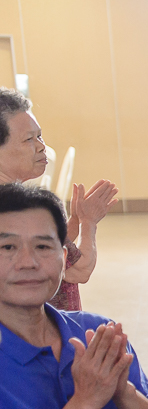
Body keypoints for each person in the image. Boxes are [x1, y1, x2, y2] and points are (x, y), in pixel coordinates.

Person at [0, 184, 148, 409]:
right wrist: (85, 402)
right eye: (8, 248)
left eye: (43, 246)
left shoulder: (95, 331)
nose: (28, 262)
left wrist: (122, 390)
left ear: (64, 258)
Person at [0, 88, 118, 311]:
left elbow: (49, 247)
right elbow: (79, 270)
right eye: (28, 139)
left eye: (39, 136)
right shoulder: (18, 209)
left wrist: (75, 220)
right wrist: (88, 223)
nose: (42, 147)